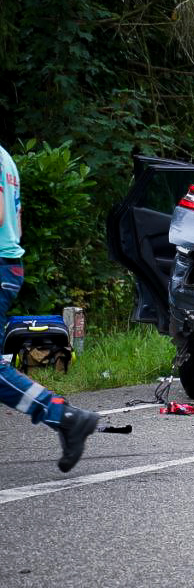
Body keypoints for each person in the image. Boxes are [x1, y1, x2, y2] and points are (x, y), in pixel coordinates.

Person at [0, 143, 99, 472]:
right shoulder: (5, 157)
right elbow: (16, 219)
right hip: (8, 263)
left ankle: (64, 416)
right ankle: (64, 417)